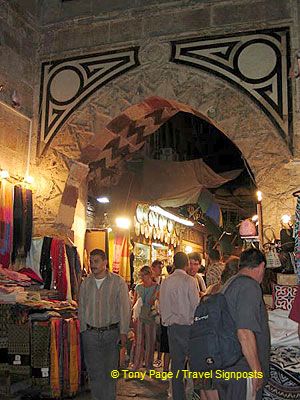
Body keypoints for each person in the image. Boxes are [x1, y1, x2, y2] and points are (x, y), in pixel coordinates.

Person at [215, 248, 270, 400]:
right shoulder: (249, 286)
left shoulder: (230, 284)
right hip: (242, 368)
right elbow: (244, 332)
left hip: (226, 365)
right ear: (261, 267)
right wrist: (257, 371)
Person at [78, 249, 131, 400]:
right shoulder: (86, 283)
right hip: (90, 334)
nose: (92, 264)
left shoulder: (117, 282)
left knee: (109, 374)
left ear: (105, 262)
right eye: (91, 261)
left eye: (96, 261)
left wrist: (123, 332)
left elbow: (124, 308)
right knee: (94, 373)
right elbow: (81, 307)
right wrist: (83, 331)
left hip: (110, 334)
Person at [160, 252, 199, 400]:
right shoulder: (189, 281)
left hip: (172, 327)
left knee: (176, 365)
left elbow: (162, 304)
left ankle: (178, 396)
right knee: (193, 363)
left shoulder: (166, 281)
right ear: (187, 263)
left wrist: (166, 321)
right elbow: (195, 305)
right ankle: (192, 393)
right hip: (188, 327)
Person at [132, 265, 159, 370]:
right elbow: (134, 303)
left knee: (150, 342)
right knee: (138, 341)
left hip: (151, 317)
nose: (143, 278)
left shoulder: (157, 287)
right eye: (141, 276)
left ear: (150, 275)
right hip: (139, 317)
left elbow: (158, 304)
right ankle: (137, 364)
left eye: (145, 275)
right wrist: (132, 316)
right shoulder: (138, 287)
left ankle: (149, 364)